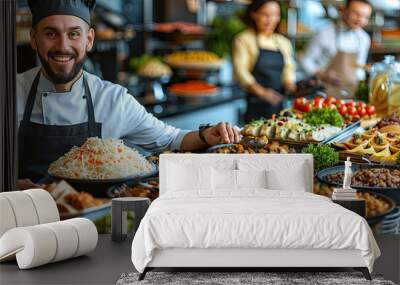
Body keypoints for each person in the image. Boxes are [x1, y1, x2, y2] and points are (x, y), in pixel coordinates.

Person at [17, 0, 240, 189]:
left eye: (74, 34)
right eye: (50, 33)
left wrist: (205, 134)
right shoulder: (10, 93)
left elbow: (170, 139)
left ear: (89, 40)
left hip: (97, 220)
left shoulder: (113, 100)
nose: (62, 46)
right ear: (34, 39)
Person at [233, 0, 296, 122]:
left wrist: (291, 85)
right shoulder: (243, 39)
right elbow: (240, 72)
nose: (271, 19)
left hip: (280, 105)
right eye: (265, 15)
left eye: (275, 15)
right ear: (254, 14)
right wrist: (263, 93)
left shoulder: (283, 42)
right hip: (255, 107)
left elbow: (289, 69)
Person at [301, 0, 372, 98]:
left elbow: (359, 69)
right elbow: (305, 61)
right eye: (356, 13)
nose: (360, 19)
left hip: (351, 93)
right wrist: (323, 74)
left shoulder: (364, 38)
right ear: (343, 10)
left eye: (365, 17)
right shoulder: (324, 33)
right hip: (322, 92)